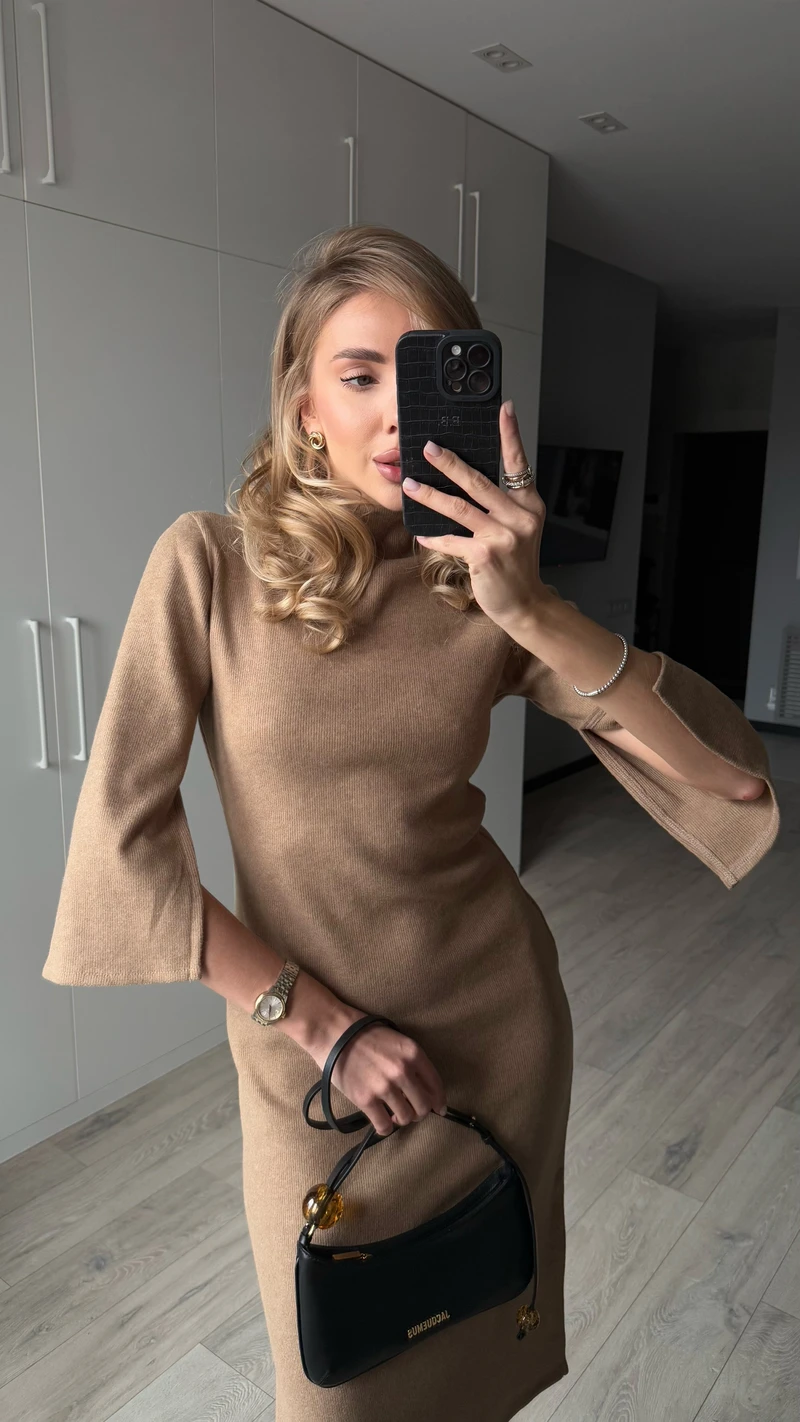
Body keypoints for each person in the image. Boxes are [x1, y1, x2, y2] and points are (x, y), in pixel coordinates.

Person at [42, 224, 780, 1422]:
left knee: (476, 1357)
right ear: (303, 406)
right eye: (358, 374)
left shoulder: (478, 592)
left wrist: (532, 610)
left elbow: (727, 779)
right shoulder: (208, 567)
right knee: (335, 1388)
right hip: (308, 1064)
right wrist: (315, 1021)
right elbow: (118, 849)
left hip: (493, 1033)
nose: (395, 412)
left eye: (429, 370)